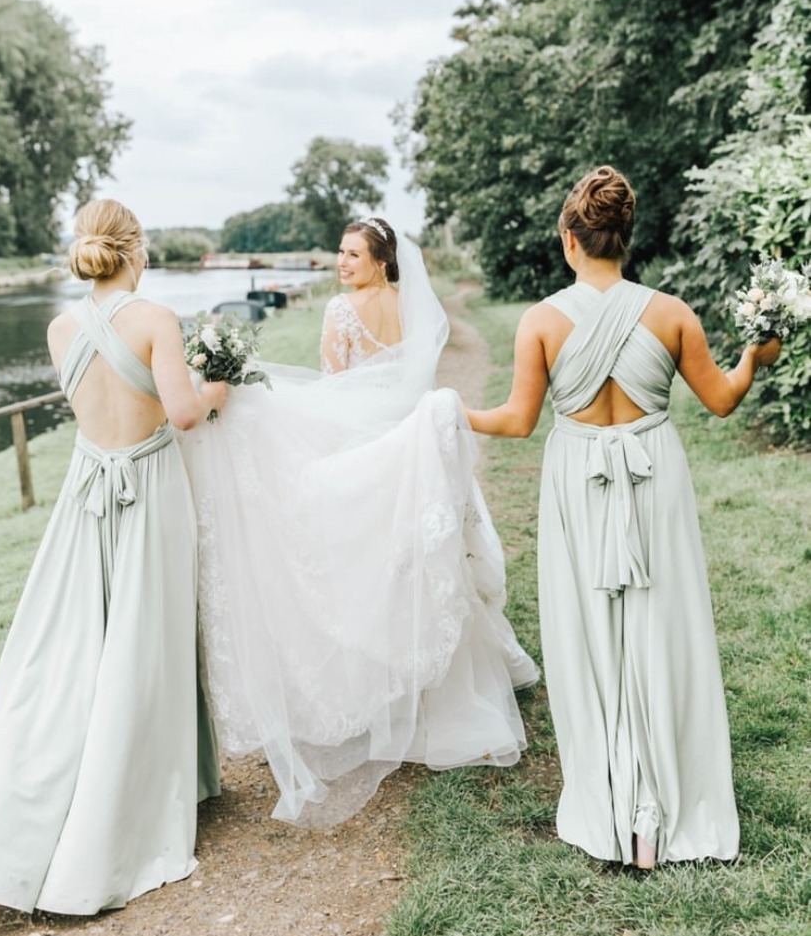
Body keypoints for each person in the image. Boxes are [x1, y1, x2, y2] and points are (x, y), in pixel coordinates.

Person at [465, 166, 781, 868]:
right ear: (624, 239)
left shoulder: (542, 319)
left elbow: (517, 422)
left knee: (589, 632)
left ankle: (611, 807)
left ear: (569, 240)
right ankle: (660, 812)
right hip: (652, 474)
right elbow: (724, 399)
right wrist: (756, 354)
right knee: (661, 624)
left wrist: (450, 412)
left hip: (580, 479)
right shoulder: (671, 313)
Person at [179, 217, 538, 828]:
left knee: (369, 565)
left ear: (380, 260)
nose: (341, 263)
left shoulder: (341, 312)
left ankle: (384, 689)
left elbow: (335, 390)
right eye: (339, 254)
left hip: (370, 450)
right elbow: (413, 381)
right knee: (426, 562)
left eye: (352, 254)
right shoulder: (416, 307)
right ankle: (434, 690)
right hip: (415, 450)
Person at [0, 199, 225, 915]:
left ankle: (62, 791)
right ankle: (137, 800)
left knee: (79, 642)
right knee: (146, 633)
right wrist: (218, 387)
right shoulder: (157, 319)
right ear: (137, 250)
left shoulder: (59, 326)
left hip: (85, 490)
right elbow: (185, 412)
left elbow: (91, 404)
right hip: (148, 488)